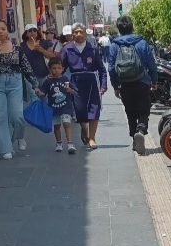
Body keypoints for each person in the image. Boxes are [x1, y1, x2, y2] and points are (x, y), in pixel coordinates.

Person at [0, 18, 41, 159]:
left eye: (3, 28)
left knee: (17, 115)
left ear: (7, 30)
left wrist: (35, 84)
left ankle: (19, 135)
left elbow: (25, 66)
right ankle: (5, 149)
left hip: (15, 82)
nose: (0, 31)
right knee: (0, 116)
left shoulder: (16, 46)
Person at [108, 14, 159, 155]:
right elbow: (151, 64)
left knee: (130, 112)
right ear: (132, 27)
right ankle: (141, 130)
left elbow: (111, 68)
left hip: (124, 84)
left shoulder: (114, 45)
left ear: (119, 28)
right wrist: (154, 81)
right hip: (142, 82)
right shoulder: (141, 43)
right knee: (143, 110)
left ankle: (134, 140)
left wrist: (115, 86)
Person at [60, 22, 107, 149]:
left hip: (92, 81)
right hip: (75, 82)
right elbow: (61, 68)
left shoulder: (93, 49)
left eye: (81, 32)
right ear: (72, 34)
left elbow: (102, 69)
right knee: (80, 111)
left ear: (85, 34)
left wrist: (103, 85)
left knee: (94, 109)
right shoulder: (67, 49)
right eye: (76, 32)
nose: (79, 34)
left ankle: (92, 138)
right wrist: (55, 78)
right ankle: (84, 129)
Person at [40, 58, 78, 154]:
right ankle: (59, 143)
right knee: (57, 126)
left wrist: (70, 90)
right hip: (54, 107)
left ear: (62, 68)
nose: (56, 70)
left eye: (59, 68)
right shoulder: (47, 81)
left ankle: (70, 143)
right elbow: (43, 93)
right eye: (54, 68)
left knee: (66, 124)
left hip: (66, 106)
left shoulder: (65, 79)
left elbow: (74, 91)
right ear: (50, 69)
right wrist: (38, 91)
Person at [20, 24, 49, 103]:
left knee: (44, 97)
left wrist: (41, 50)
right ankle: (35, 115)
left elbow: (52, 55)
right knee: (33, 98)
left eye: (34, 30)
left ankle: (44, 114)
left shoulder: (44, 43)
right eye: (30, 31)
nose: (32, 32)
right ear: (26, 33)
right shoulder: (21, 46)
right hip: (29, 75)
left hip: (43, 74)